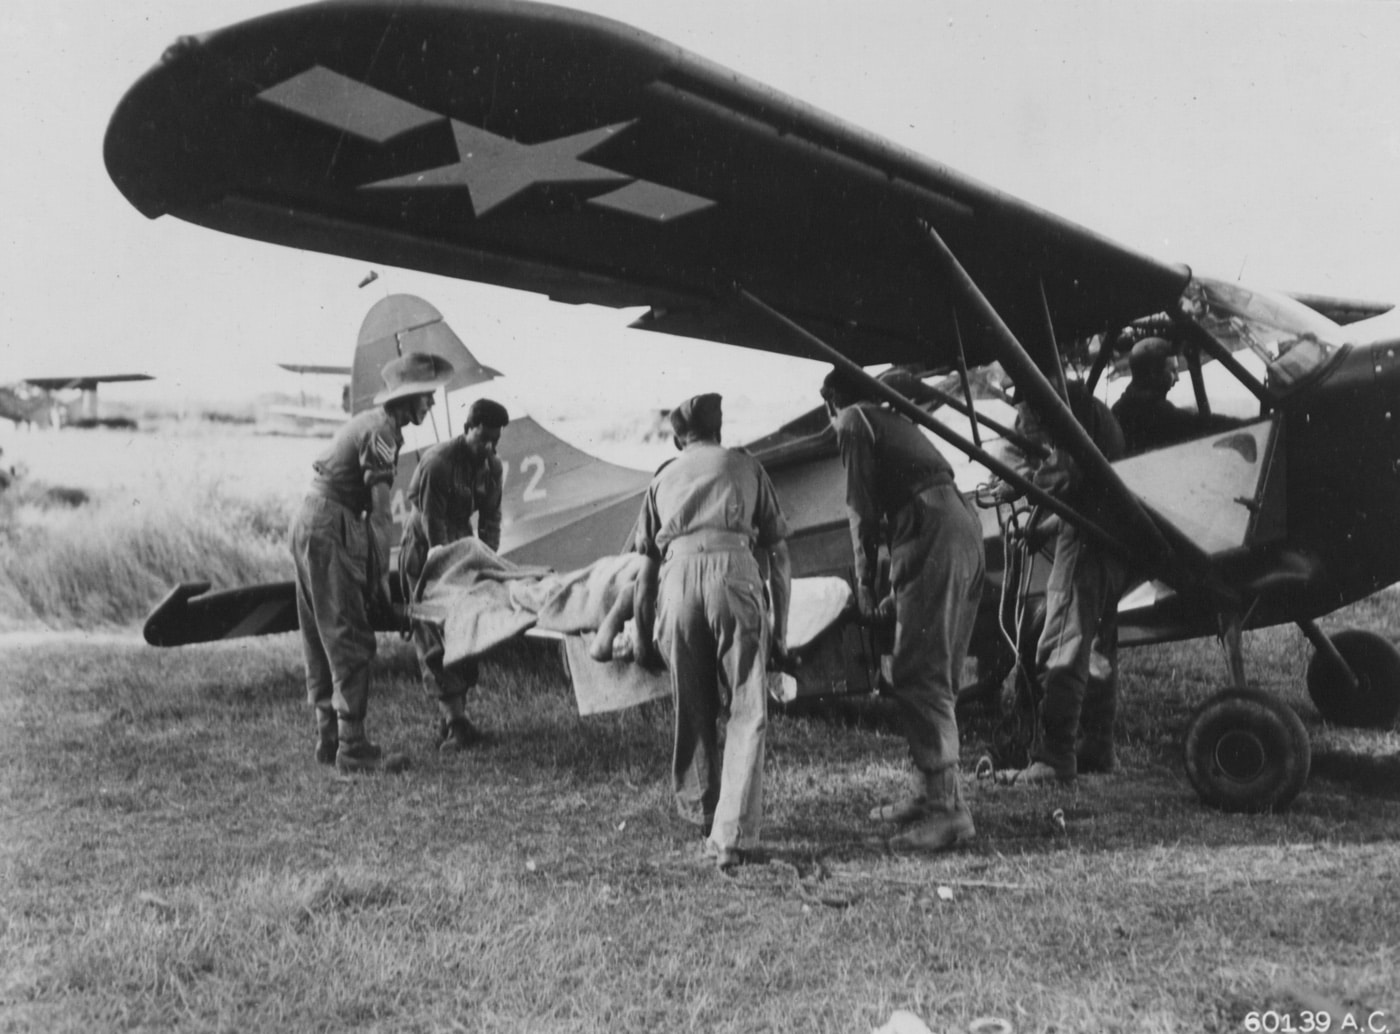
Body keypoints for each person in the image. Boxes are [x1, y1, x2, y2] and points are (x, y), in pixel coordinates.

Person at [820, 366, 985, 853]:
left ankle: (948, 814)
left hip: (931, 526)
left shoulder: (852, 421)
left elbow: (862, 515)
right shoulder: (893, 421)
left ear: (832, 404)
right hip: (957, 522)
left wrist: (865, 586)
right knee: (940, 669)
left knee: (919, 672)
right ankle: (930, 792)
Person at [631, 393, 791, 871]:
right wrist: (779, 628)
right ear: (719, 431)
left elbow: (644, 570)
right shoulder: (746, 466)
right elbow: (779, 555)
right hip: (733, 575)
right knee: (747, 706)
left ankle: (704, 810)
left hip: (676, 581)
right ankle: (731, 835)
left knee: (693, 702)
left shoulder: (662, 478)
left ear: (680, 438)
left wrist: (642, 632)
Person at [289, 352, 455, 774]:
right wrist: (380, 575)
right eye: (427, 398)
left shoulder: (370, 424)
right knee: (349, 634)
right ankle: (352, 747)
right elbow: (380, 514)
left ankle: (329, 737)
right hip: (331, 523)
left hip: (310, 517)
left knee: (318, 631)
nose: (431, 405)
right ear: (409, 397)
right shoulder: (383, 433)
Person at [1013, 381, 1130, 783]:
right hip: (1113, 539)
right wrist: (1045, 527)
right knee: (1095, 646)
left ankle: (1054, 755)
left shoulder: (1070, 414)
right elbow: (1086, 484)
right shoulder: (1096, 414)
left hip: (1084, 542)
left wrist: (1018, 480)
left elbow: (1060, 479)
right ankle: (1097, 745)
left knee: (1060, 641)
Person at [399, 397, 510, 752]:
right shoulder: (439, 463)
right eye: (483, 438)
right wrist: (446, 568)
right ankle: (454, 721)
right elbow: (433, 523)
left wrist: (487, 561)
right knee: (433, 630)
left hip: (460, 543)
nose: (489, 447)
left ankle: (455, 719)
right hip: (426, 550)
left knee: (465, 625)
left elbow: (491, 518)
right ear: (467, 430)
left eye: (496, 439)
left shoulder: (492, 466)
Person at [1111, 337, 1243, 455]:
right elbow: (1197, 424)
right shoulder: (1160, 412)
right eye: (1173, 371)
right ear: (1153, 373)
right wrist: (1243, 425)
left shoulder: (1118, 408)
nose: (1177, 378)